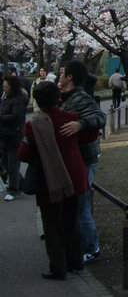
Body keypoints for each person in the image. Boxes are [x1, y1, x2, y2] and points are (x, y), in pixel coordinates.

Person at [17, 81, 96, 280]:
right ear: (58, 98)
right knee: (71, 220)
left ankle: (58, 267)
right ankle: (75, 261)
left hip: (48, 180)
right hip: (74, 176)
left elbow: (24, 155)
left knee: (52, 225)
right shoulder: (71, 119)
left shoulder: (32, 125)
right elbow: (91, 135)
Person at [58, 59, 106, 264]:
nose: (58, 77)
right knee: (76, 203)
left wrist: (81, 124)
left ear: (70, 77)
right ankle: (77, 242)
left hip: (85, 159)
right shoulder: (65, 98)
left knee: (82, 203)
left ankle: (91, 248)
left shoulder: (82, 99)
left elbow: (100, 117)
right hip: (74, 157)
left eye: (62, 73)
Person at [0, 75, 29, 201]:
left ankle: (13, 190)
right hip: (5, 136)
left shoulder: (18, 100)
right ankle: (21, 184)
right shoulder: (6, 99)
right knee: (5, 162)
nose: (4, 89)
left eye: (6, 87)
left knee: (13, 164)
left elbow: (16, 117)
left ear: (12, 87)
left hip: (14, 135)